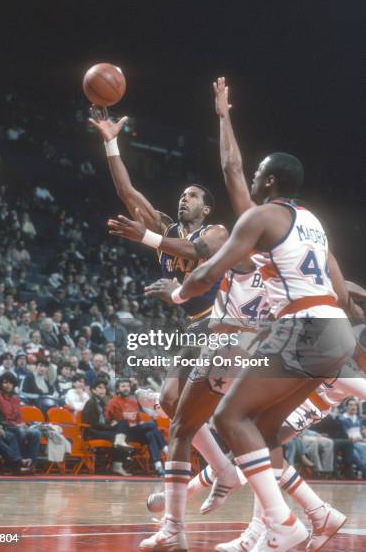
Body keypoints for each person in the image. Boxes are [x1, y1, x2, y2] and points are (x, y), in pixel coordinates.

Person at [139, 81, 356, 550]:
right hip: (332, 334)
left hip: (275, 334)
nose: (251, 180)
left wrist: (179, 294)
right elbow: (342, 292)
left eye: (260, 175)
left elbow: (229, 180)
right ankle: (311, 515)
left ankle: (273, 521)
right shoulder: (312, 224)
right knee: (262, 427)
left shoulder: (256, 222)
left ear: (270, 183)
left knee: (219, 416)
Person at [91, 109, 237, 485]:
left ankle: (231, 465)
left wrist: (145, 237)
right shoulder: (165, 229)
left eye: (191, 197)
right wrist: (111, 142)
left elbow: (194, 253)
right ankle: (222, 469)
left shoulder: (218, 231)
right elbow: (127, 192)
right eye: (181, 196)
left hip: (226, 325)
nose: (183, 200)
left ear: (205, 208)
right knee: (171, 402)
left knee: (217, 409)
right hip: (195, 328)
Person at [106, 379, 167, 476]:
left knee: (150, 434)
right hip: (122, 433)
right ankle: (165, 448)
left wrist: (138, 422)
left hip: (135, 431)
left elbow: (137, 418)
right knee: (151, 425)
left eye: (127, 386)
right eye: (123, 386)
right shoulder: (113, 402)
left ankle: (158, 467)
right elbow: (119, 419)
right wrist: (133, 421)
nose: (126, 388)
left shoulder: (133, 401)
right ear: (117, 389)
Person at [82, 378, 133, 476]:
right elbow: (93, 424)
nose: (102, 390)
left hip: (103, 429)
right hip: (93, 432)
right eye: (99, 388)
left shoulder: (105, 402)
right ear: (93, 390)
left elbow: (108, 418)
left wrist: (112, 422)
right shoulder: (90, 403)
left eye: (104, 388)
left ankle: (118, 463)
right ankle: (117, 465)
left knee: (123, 423)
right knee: (119, 436)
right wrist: (109, 426)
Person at [0, 373, 41, 468]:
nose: (8, 385)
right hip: (5, 426)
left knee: (36, 432)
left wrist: (22, 424)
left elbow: (19, 417)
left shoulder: (16, 399)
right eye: (5, 383)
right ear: (0, 384)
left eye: (10, 383)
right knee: (20, 431)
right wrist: (16, 425)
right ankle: (20, 462)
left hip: (17, 425)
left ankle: (31, 463)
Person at [339, 398, 366, 477]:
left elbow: (362, 432)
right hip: (349, 443)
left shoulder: (358, 419)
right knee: (358, 451)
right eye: (351, 405)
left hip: (360, 442)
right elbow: (344, 435)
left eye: (355, 405)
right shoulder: (342, 419)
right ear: (346, 407)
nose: (353, 407)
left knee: (361, 449)